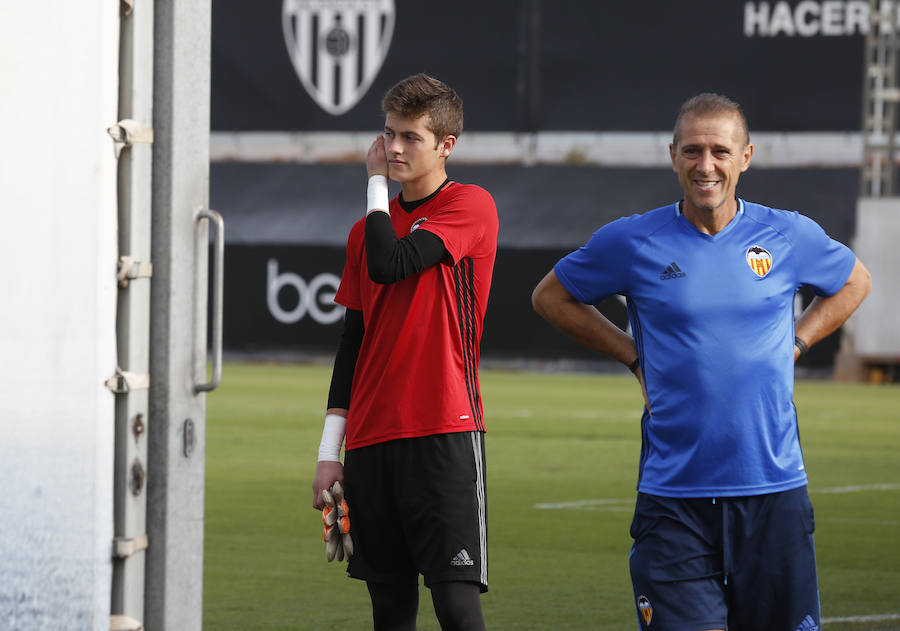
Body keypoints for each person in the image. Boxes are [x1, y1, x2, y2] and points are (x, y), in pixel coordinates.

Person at [531, 93, 871, 631]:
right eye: (692, 151)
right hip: (674, 502)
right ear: (673, 156)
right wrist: (631, 355)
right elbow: (551, 297)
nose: (705, 165)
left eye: (719, 150)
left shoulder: (787, 234)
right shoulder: (633, 240)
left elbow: (855, 282)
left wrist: (798, 343)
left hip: (773, 493)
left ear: (746, 156)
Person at [311, 73, 498, 631]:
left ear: (447, 145)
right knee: (390, 612)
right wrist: (329, 452)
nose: (393, 148)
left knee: (456, 607)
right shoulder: (363, 231)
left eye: (410, 137)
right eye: (388, 134)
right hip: (370, 443)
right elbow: (352, 345)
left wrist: (373, 187)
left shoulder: (470, 206)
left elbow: (391, 262)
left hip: (443, 431)